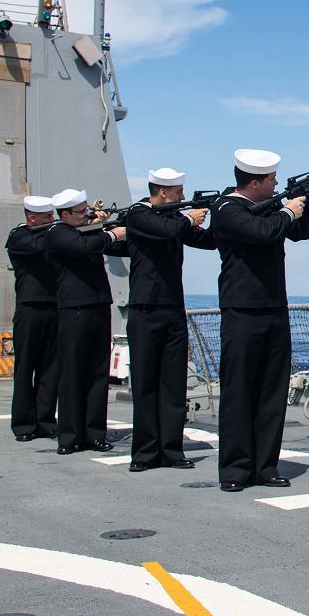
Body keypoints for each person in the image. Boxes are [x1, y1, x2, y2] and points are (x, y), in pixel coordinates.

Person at [210, 149, 309, 492]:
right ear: (255, 182)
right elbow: (264, 231)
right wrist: (287, 209)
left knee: (271, 392)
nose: (276, 184)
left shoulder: (268, 208)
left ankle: (265, 467)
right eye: (271, 180)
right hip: (241, 311)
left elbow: (300, 233)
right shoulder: (226, 209)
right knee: (239, 391)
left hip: (273, 308)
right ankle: (236, 470)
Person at [124, 168, 217, 472]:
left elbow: (206, 241)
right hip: (145, 308)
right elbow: (166, 230)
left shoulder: (174, 219)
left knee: (173, 384)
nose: (182, 197)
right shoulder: (139, 213)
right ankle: (145, 451)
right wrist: (190, 217)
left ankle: (171, 449)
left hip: (173, 307)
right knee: (146, 383)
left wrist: (217, 214)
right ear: (163, 192)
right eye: (178, 192)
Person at [44, 188, 128, 455]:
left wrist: (105, 228)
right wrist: (109, 232)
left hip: (99, 305)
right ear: (65, 213)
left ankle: (94, 433)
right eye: (81, 212)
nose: (86, 215)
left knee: (97, 373)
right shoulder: (57, 233)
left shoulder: (86, 231)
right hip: (75, 309)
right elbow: (83, 247)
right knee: (72, 373)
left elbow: (111, 246)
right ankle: (69, 436)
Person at [6, 195, 59, 442]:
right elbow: (36, 246)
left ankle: (46, 421)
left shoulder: (51, 234)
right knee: (26, 367)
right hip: (29, 308)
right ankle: (24, 424)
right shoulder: (19, 236)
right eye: (47, 216)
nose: (51, 219)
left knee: (50, 369)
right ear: (32, 217)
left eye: (52, 215)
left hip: (54, 307)